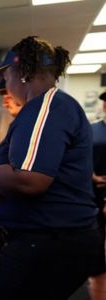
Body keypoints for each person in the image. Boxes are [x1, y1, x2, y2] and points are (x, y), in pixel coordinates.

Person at [0, 36, 104, 300]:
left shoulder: (46, 107)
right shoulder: (53, 106)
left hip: (47, 243)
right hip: (55, 241)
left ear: (23, 73)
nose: (6, 87)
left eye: (6, 78)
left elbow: (30, 180)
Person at [88, 90, 106, 300]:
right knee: (96, 232)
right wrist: (91, 176)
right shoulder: (92, 131)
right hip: (92, 192)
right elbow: (81, 160)